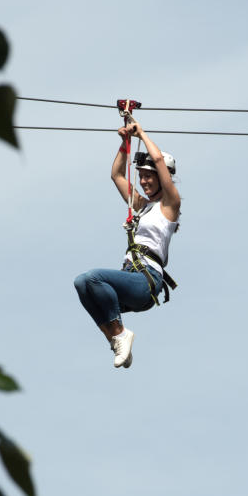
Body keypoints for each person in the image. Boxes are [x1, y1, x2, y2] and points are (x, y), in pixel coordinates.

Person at [73, 118, 181, 368]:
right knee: (81, 283)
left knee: (93, 278)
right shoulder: (141, 207)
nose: (143, 181)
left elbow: (160, 169)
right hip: (130, 276)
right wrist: (125, 142)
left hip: (147, 280)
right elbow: (117, 175)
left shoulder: (170, 206)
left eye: (148, 176)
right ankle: (115, 340)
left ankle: (121, 333)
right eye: (141, 176)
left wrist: (141, 133)